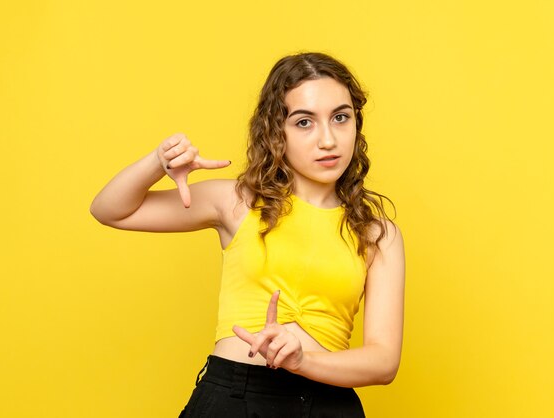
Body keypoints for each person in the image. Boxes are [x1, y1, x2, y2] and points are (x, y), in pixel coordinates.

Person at [90, 52, 405, 417]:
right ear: (276, 132)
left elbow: (384, 362)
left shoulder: (377, 232)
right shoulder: (238, 201)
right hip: (236, 399)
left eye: (340, 117)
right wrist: (158, 163)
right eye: (304, 122)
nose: (328, 140)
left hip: (327, 404)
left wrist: (301, 360)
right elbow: (109, 210)